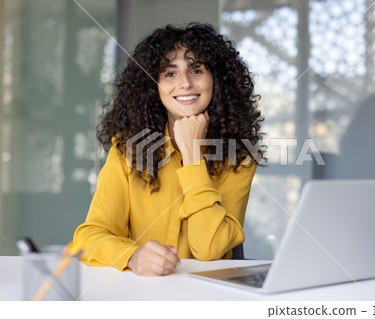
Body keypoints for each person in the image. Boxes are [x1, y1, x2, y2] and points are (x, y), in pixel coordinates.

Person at [73, 23, 264, 276]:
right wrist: (133, 256)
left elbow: (209, 249)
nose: (184, 83)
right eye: (170, 74)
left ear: (216, 80)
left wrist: (193, 155)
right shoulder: (127, 150)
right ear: (154, 85)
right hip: (142, 293)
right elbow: (88, 239)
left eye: (196, 70)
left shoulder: (239, 158)